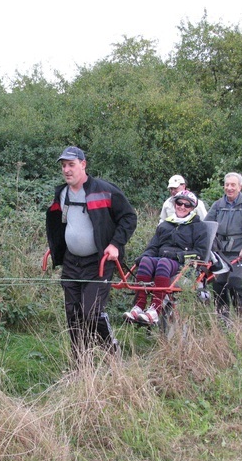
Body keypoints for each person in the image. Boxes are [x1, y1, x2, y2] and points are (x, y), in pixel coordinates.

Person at [46, 146, 137, 362]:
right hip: (71, 263)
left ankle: (113, 355)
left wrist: (115, 244)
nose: (67, 170)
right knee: (74, 315)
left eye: (71, 165)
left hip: (99, 263)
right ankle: (81, 364)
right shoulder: (62, 193)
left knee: (91, 312)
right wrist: (56, 245)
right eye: (64, 166)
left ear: (83, 165)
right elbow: (62, 224)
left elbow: (129, 218)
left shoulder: (104, 190)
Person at [124, 190, 210, 324]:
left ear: (192, 208)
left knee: (164, 262)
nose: (182, 207)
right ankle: (139, 306)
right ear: (175, 204)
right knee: (146, 261)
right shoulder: (165, 225)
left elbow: (200, 253)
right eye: (179, 203)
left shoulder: (199, 227)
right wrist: (144, 256)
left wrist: (178, 255)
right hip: (161, 261)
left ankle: (155, 310)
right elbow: (153, 247)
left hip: (182, 264)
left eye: (186, 205)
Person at [204, 172, 242, 322]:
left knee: (234, 281)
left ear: (240, 187)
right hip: (220, 252)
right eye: (227, 184)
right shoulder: (218, 205)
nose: (229, 188)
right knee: (218, 283)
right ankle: (223, 319)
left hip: (238, 251)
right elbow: (206, 226)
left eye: (233, 185)